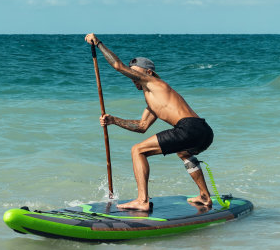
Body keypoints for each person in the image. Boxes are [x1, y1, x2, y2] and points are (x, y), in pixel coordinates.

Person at [84, 33, 215, 211]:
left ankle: (142, 200)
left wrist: (98, 43)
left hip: (190, 127)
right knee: (184, 153)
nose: (132, 78)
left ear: (148, 73)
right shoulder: (154, 98)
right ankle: (204, 196)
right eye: (132, 75)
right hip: (203, 131)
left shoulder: (154, 82)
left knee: (137, 150)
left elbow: (118, 66)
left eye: (134, 73)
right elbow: (141, 126)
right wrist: (114, 120)